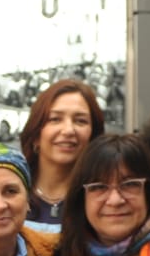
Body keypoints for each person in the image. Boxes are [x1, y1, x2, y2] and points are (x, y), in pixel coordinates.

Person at [18, 79, 105, 233]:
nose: (68, 130)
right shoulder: (10, 195)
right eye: (55, 119)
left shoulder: (104, 200)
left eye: (80, 121)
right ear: (36, 134)